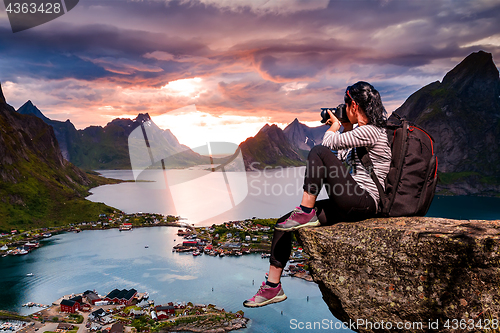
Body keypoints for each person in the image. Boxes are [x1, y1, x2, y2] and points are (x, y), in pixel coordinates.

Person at [243, 81, 392, 308]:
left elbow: (327, 145)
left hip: (365, 201)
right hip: (351, 199)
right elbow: (337, 160)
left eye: (345, 104)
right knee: (284, 223)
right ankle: (273, 287)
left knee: (318, 151)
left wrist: (334, 126)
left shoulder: (372, 131)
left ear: (353, 104)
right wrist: (345, 126)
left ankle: (306, 210)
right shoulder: (359, 135)